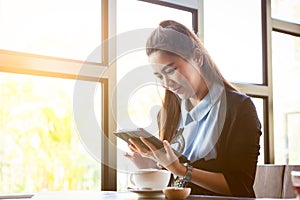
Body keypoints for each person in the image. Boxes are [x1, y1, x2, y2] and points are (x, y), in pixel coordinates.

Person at [125, 20, 262, 197]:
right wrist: (149, 164)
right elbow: (175, 182)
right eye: (159, 76)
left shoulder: (239, 109)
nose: (167, 84)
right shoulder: (168, 113)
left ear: (197, 57)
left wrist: (180, 169)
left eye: (171, 70)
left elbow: (240, 186)